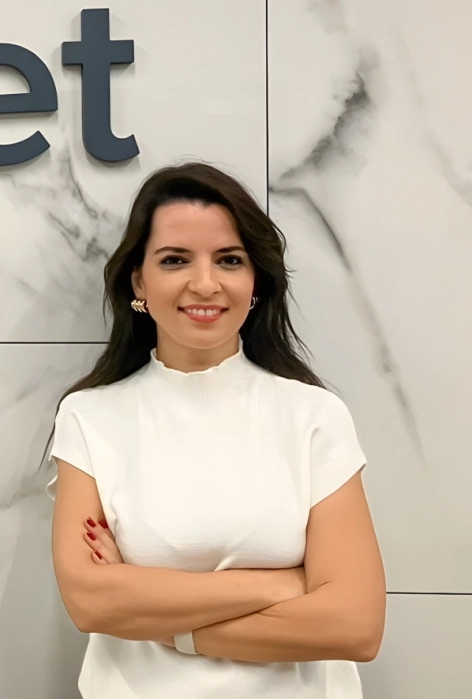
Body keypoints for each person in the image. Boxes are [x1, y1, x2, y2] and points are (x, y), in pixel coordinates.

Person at [46, 162, 385, 698]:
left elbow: (354, 626)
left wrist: (167, 626)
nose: (205, 284)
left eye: (229, 260)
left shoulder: (314, 416)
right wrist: (282, 585)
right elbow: (91, 602)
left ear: (255, 282)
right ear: (139, 280)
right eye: (174, 259)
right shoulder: (89, 418)